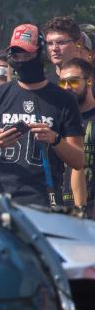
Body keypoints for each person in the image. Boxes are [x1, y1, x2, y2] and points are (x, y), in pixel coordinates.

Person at [0, 24, 84, 207]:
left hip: (45, 202)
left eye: (27, 54)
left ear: (40, 54)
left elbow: (78, 160)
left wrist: (55, 139)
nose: (21, 60)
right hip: (2, 202)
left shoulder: (64, 99)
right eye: (16, 55)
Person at [56, 57, 94, 213]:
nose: (66, 87)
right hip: (62, 210)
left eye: (73, 81)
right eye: (62, 82)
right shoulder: (56, 120)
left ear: (89, 81)